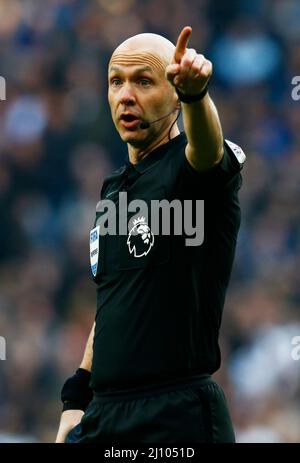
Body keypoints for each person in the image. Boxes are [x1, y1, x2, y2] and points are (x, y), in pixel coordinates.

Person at [56, 26, 245, 444]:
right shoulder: (114, 187)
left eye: (144, 81)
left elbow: (207, 149)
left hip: (176, 415)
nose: (126, 94)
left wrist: (197, 95)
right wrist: (76, 398)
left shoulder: (195, 170)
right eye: (116, 82)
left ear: (174, 93)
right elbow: (113, 298)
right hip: (104, 415)